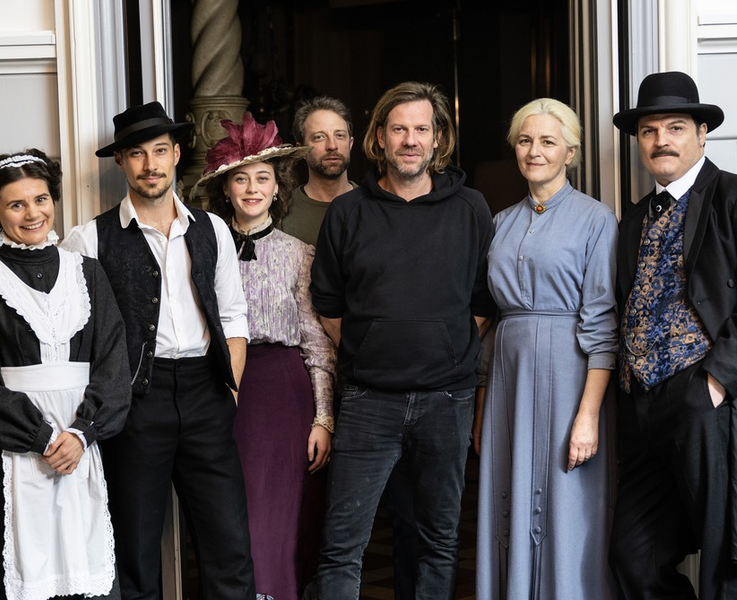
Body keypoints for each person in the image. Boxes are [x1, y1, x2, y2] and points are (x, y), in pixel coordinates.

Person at [61, 102, 255, 599]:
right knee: (135, 549)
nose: (150, 164)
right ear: (122, 162)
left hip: (206, 392)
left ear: (176, 154)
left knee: (228, 547)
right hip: (133, 403)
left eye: (160, 151)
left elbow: (233, 318)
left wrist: (229, 391)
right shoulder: (88, 240)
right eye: (137, 154)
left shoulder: (212, 229)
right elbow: (71, 333)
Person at [310, 81, 496, 599]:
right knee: (342, 545)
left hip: (447, 398)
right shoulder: (349, 212)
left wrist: (447, 342)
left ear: (438, 138)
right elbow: (326, 302)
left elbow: (484, 300)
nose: (410, 140)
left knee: (439, 540)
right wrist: (371, 345)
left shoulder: (471, 208)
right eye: (399, 129)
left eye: (421, 129)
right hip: (369, 401)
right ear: (379, 139)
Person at [0, 149, 131, 600]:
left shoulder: (87, 272)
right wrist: (43, 439)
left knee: (82, 565)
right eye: (16, 204)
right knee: (12, 570)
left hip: (80, 442)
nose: (33, 213)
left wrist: (81, 432)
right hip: (9, 450)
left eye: (41, 199)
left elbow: (113, 360)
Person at [475, 98, 619, 599]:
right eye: (525, 140)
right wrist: (478, 411)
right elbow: (489, 323)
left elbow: (604, 324)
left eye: (548, 142)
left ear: (570, 152)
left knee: (566, 504)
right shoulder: (498, 223)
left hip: (570, 379)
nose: (534, 151)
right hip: (508, 381)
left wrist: (588, 416)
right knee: (507, 500)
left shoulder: (597, 220)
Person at [195, 111, 336, 600]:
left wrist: (323, 418)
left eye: (263, 179)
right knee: (225, 515)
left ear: (279, 189)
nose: (252, 188)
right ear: (226, 190)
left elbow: (317, 342)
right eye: (241, 179)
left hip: (282, 393)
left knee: (277, 519)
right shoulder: (201, 253)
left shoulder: (301, 254)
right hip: (217, 391)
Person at [610, 71, 737, 598]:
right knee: (634, 557)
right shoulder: (634, 217)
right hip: (640, 409)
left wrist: (716, 381)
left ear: (702, 134)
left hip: (701, 399)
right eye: (649, 130)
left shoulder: (731, 195)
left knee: (725, 553)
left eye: (676, 127)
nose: (661, 140)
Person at [281, 96, 355, 246]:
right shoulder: (282, 212)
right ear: (301, 149)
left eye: (339, 135)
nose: (332, 146)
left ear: (350, 144)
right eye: (319, 137)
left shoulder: (374, 207)